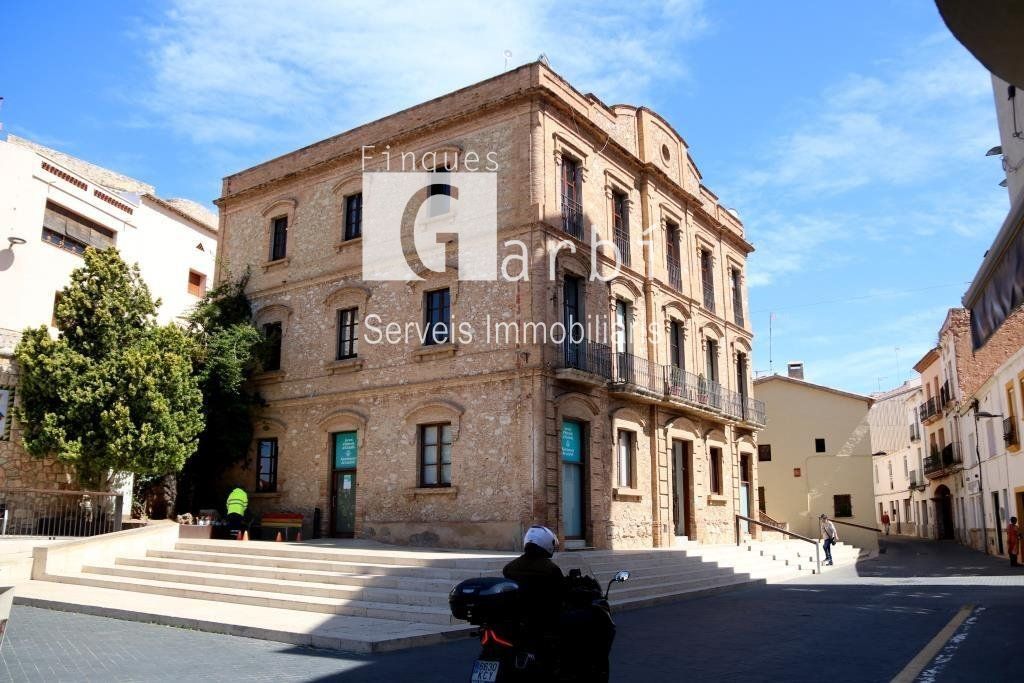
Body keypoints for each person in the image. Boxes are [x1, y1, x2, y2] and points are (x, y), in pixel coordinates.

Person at [503, 525, 565, 667]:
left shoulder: (510, 567)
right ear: (546, 543)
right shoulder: (551, 569)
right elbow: (561, 591)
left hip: (517, 616)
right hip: (541, 617)